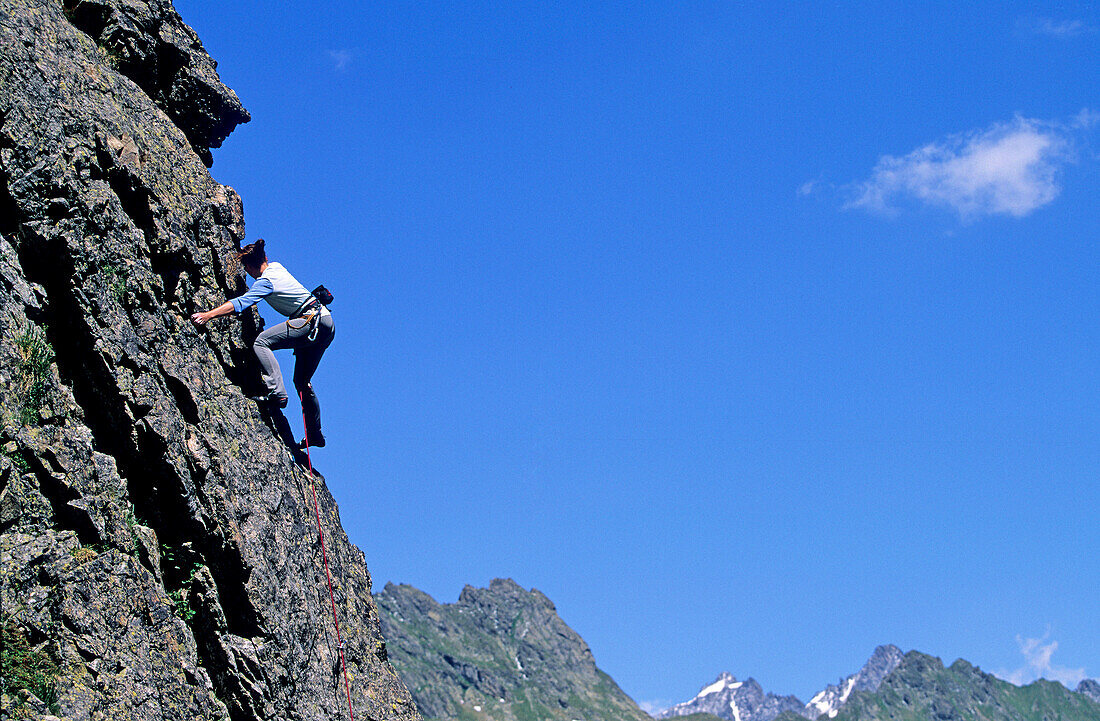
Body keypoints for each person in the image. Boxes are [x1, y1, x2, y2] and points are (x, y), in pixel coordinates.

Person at [191, 239, 335, 447]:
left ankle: (277, 393)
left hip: (309, 320)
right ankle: (314, 434)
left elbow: (241, 303)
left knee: (261, 342)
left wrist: (208, 314)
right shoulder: (276, 267)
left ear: (248, 267)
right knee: (302, 381)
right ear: (265, 258)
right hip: (325, 322)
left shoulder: (265, 282)